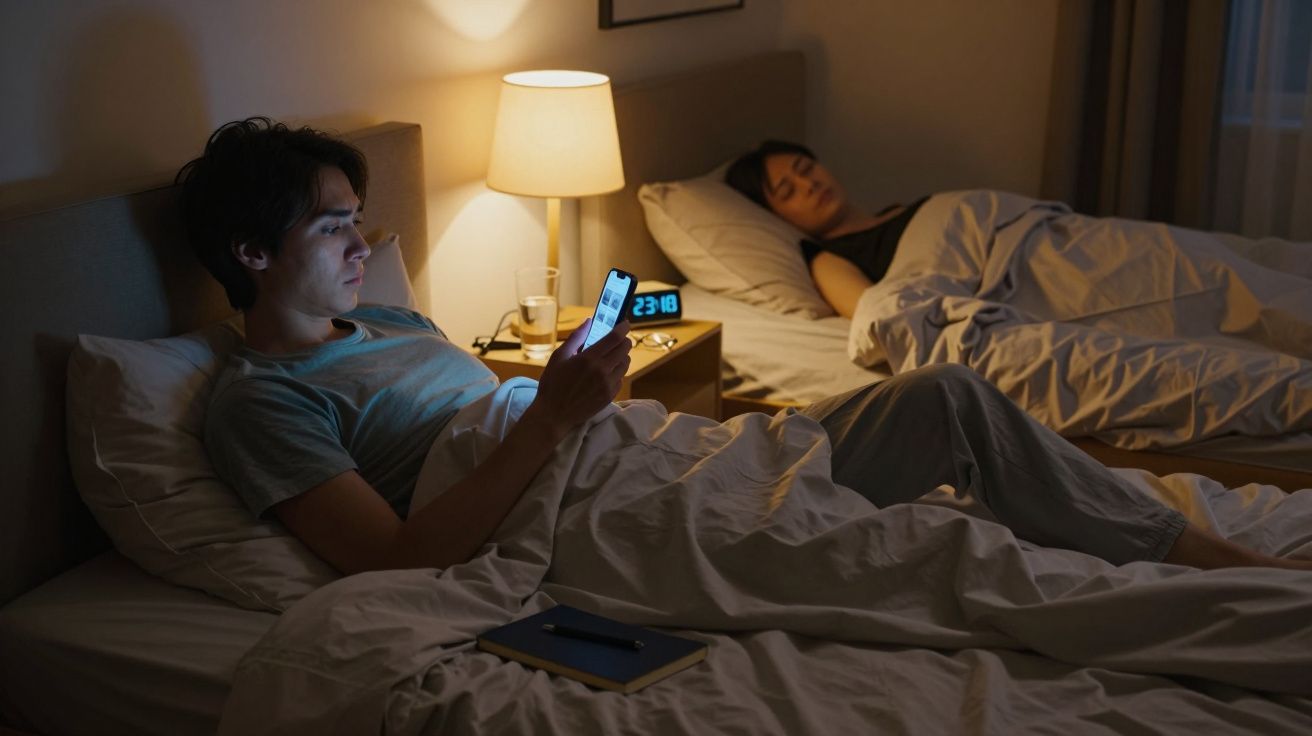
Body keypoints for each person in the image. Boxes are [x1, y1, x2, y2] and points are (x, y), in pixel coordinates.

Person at [178, 117, 1311, 580]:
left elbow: (505, 428)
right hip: (597, 518)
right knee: (938, 524)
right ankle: (1208, 569)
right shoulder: (258, 402)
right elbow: (397, 559)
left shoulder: (389, 321)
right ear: (249, 251)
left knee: (950, 395)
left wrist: (574, 388)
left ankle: (1180, 539)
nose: (364, 244)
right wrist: (558, 416)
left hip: (632, 455)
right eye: (333, 227)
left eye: (355, 218)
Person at [725, 140, 923, 320]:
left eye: (806, 169)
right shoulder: (829, 261)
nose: (809, 184)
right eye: (788, 192)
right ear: (777, 218)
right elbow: (885, 321)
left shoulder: (899, 210)